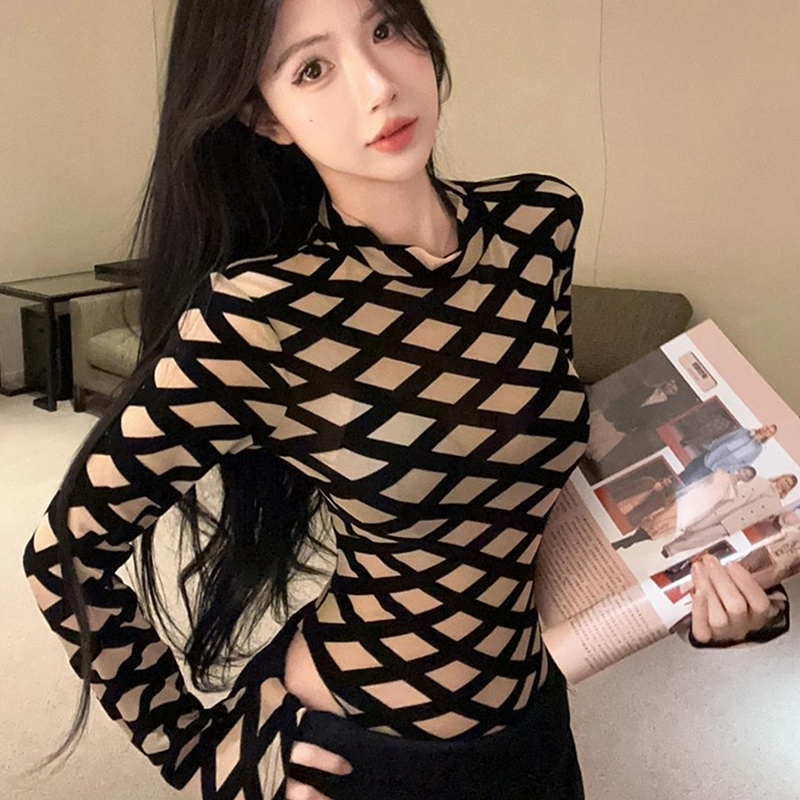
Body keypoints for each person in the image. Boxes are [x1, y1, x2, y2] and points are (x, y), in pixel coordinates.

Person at [19, 2, 791, 799]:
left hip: (535, 724)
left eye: (384, 27)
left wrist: (713, 586)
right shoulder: (260, 315)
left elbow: (525, 472)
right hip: (361, 754)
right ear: (264, 115)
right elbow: (63, 558)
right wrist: (198, 750)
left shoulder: (539, 229)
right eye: (311, 68)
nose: (378, 85)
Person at [661, 474, 798, 558]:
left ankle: (672, 549)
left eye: (788, 484)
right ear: (781, 477)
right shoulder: (760, 480)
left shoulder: (776, 505)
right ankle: (672, 538)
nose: (785, 483)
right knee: (696, 525)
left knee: (703, 537)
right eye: (785, 479)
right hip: (726, 507)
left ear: (789, 489)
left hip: (736, 522)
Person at [679, 424, 778, 485]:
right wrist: (711, 447)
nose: (766, 430)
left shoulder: (757, 449)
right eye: (767, 427)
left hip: (716, 468)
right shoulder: (743, 432)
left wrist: (728, 470)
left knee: (690, 480)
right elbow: (725, 439)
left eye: (770, 432)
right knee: (686, 472)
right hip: (710, 456)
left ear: (770, 436)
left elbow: (744, 463)